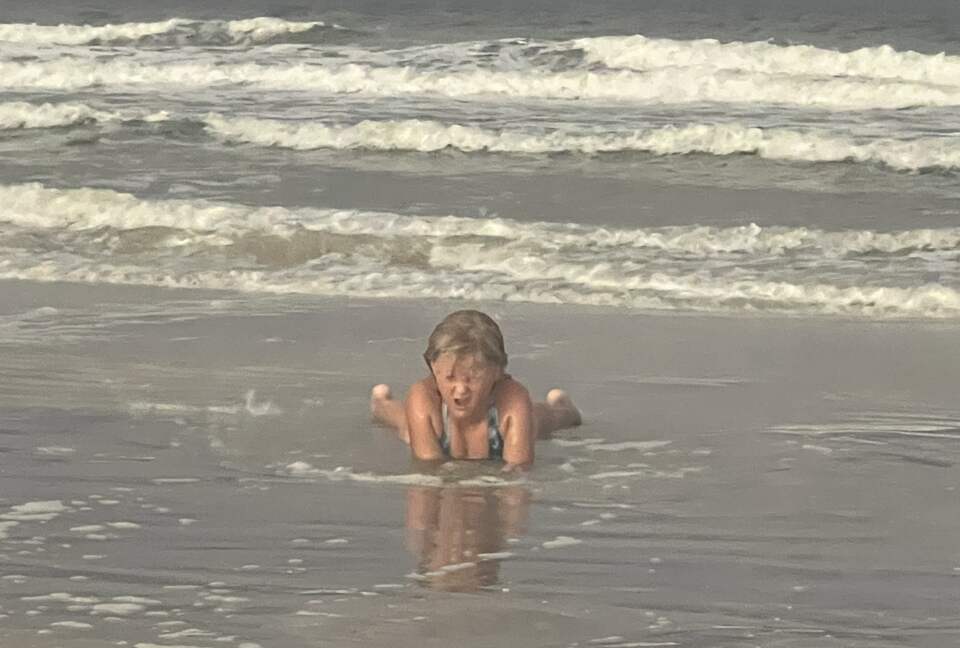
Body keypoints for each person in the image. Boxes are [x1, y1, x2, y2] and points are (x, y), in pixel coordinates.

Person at [370, 309, 581, 469]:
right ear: (433, 368)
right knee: (407, 426)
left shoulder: (513, 401)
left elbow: (518, 472)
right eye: (450, 377)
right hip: (437, 418)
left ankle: (561, 405)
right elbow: (429, 474)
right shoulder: (423, 398)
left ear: (498, 371)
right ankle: (381, 402)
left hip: (501, 416)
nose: (461, 390)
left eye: (473, 378)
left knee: (541, 421)